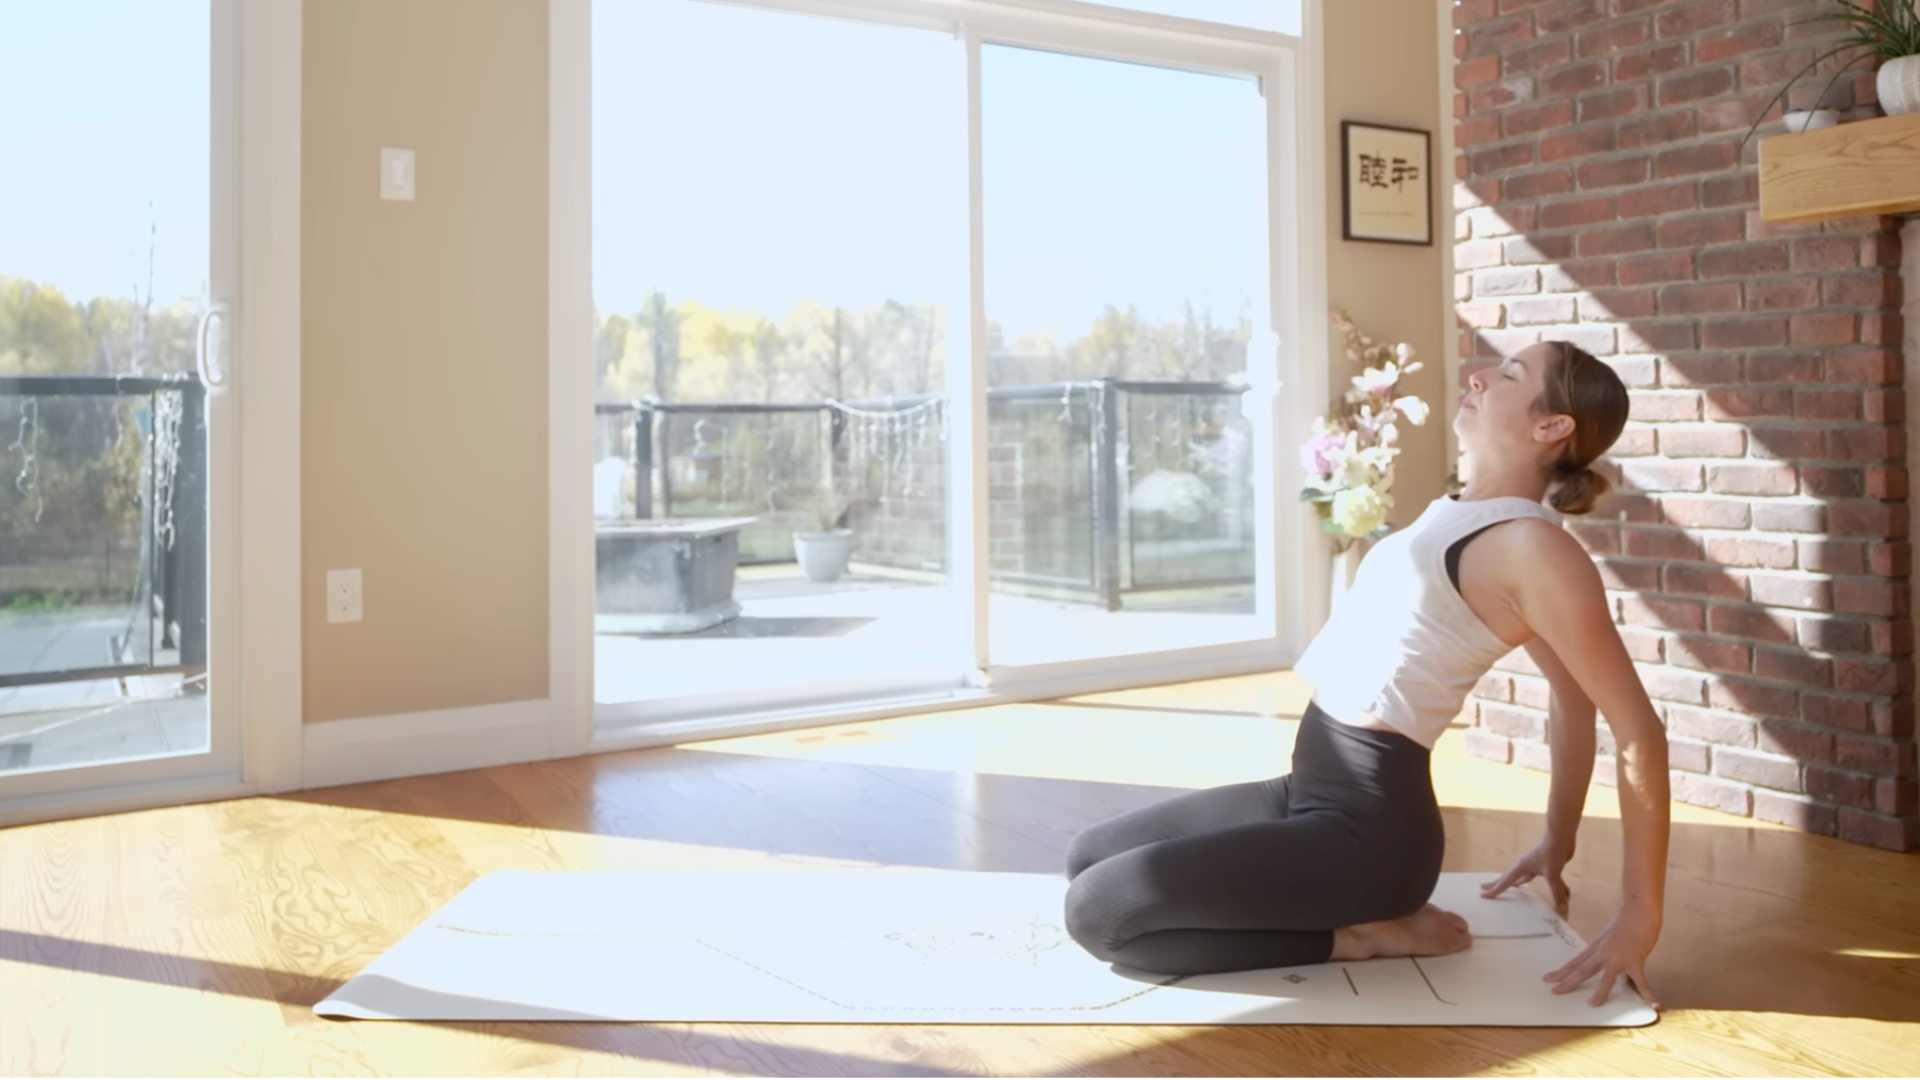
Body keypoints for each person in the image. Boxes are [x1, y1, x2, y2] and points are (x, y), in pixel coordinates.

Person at [1063, 341, 1670, 1010]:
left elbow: (1635, 728)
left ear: (1551, 426)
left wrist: (1640, 913)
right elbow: (1570, 701)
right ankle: (1345, 912)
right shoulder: (1459, 513)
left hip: (1367, 834)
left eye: (1510, 375)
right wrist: (1558, 841)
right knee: (1088, 859)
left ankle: (1365, 937)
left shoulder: (1537, 550)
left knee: (1102, 914)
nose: (1478, 375)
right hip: (1308, 788)